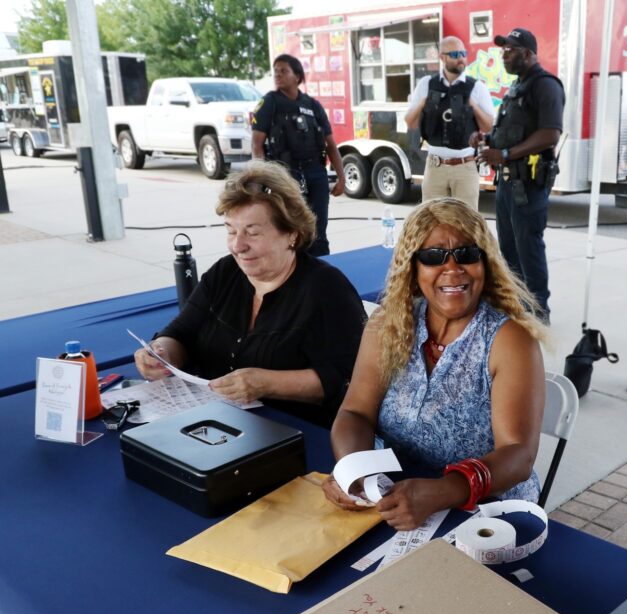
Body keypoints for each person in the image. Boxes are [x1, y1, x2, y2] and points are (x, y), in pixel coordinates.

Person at [321, 197, 548, 531]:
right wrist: (355, 472)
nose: (453, 268)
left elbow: (518, 454)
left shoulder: (511, 341)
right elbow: (355, 412)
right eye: (433, 256)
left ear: (485, 263)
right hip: (397, 498)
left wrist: (442, 492)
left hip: (489, 515)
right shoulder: (387, 325)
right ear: (413, 268)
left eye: (467, 254)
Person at [133, 161, 366, 427]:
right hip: (218, 423)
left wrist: (267, 384)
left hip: (297, 430)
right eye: (231, 231)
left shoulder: (327, 289)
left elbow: (350, 379)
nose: (237, 245)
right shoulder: (225, 273)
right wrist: (161, 353)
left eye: (252, 233)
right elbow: (181, 333)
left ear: (291, 233)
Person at [471, 28, 564, 321]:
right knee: (509, 249)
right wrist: (487, 139)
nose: (504, 55)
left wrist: (505, 154)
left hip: (528, 184)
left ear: (527, 53)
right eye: (503, 50)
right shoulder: (517, 87)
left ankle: (537, 311)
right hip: (507, 182)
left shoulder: (545, 86)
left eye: (509, 50)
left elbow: (550, 134)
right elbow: (512, 132)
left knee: (528, 248)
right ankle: (515, 305)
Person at [252, 54, 345, 257]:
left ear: (297, 76)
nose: (278, 75)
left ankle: (322, 268)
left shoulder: (313, 105)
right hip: (285, 175)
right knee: (292, 230)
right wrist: (261, 181)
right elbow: (257, 145)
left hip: (315, 172)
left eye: (283, 71)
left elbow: (330, 144)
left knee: (318, 230)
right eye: (276, 71)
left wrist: (341, 176)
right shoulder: (269, 103)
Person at [405, 36, 495, 210]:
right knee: (432, 219)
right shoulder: (426, 84)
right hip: (435, 166)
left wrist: (473, 106)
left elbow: (489, 127)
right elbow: (410, 122)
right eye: (455, 54)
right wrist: (423, 103)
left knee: (466, 221)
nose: (461, 58)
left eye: (463, 53)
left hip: (465, 166)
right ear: (442, 57)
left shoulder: (477, 87)